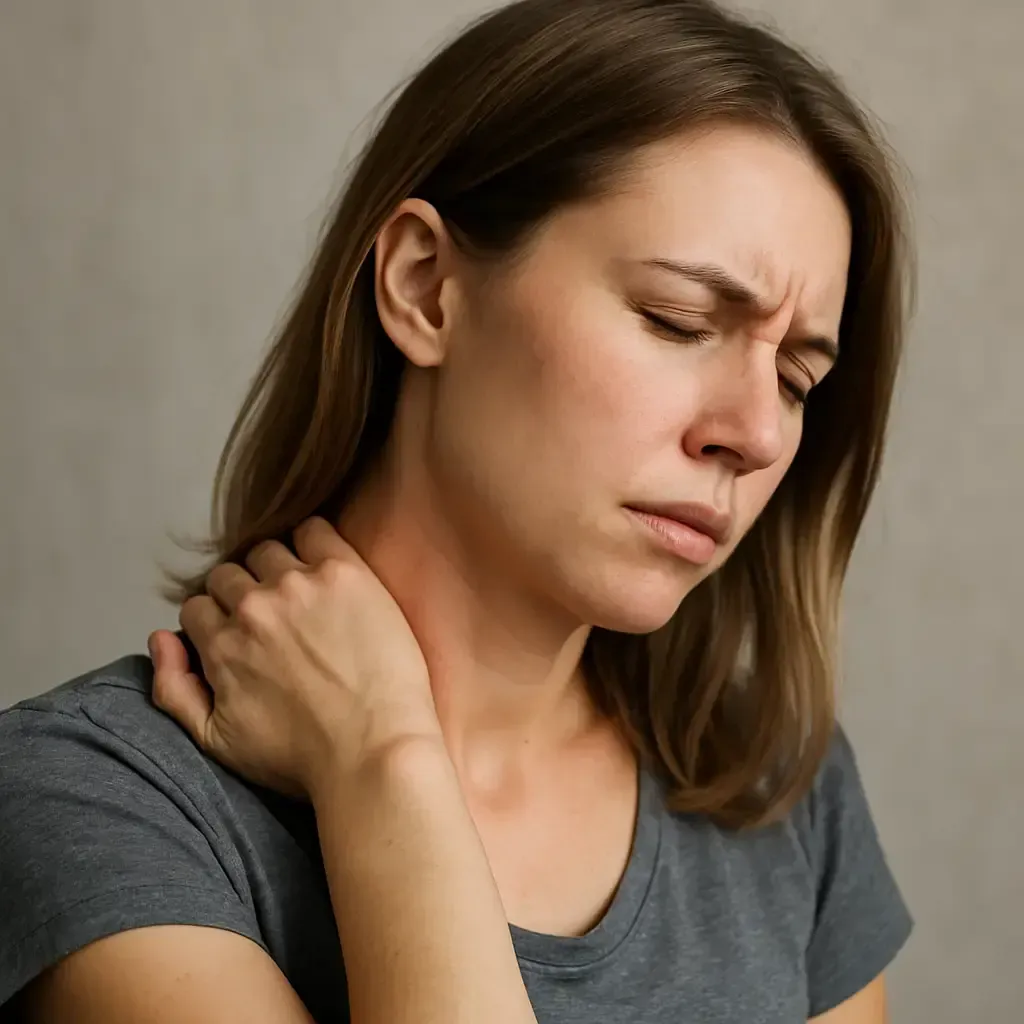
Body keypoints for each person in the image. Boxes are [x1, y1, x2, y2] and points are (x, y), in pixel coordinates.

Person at [0, 0, 916, 1021]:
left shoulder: (777, 789)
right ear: (424, 286)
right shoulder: (92, 800)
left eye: (795, 377)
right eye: (679, 320)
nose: (752, 431)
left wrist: (377, 755)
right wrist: (383, 765)